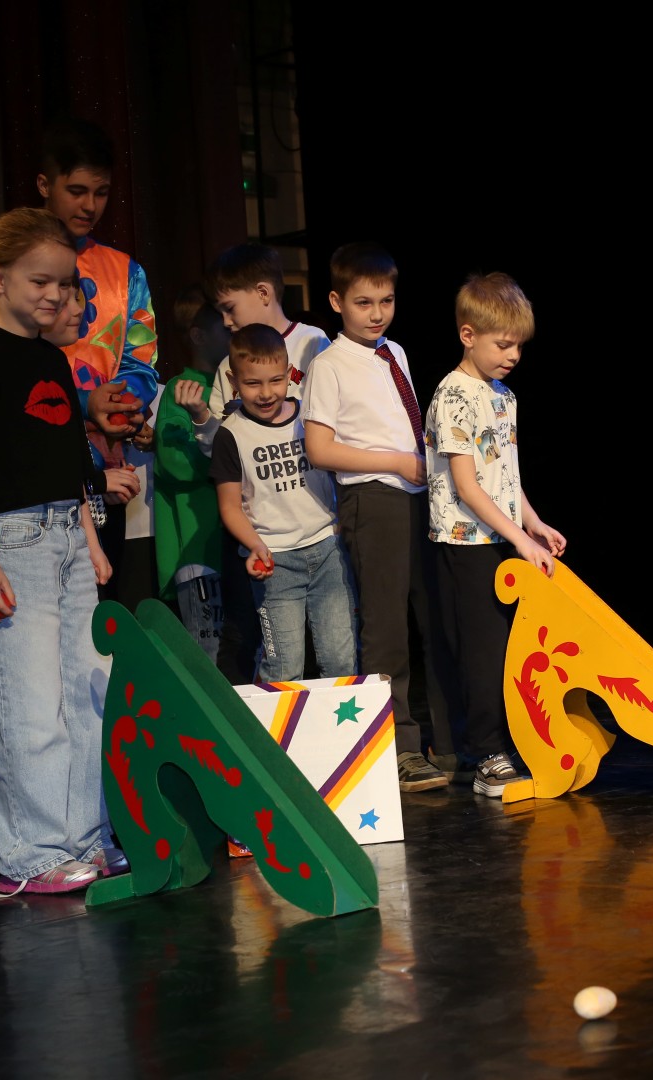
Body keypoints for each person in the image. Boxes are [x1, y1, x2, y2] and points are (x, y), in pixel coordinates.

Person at [0, 207, 134, 895]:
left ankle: (84, 837)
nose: (55, 295)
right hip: (13, 542)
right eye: (40, 282)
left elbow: (71, 464)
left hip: (68, 540)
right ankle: (32, 854)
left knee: (88, 695)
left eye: (65, 283)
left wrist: (90, 539)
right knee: (27, 703)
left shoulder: (53, 358)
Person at [300, 242, 456, 792]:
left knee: (434, 620)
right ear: (337, 302)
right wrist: (395, 461)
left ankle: (448, 740)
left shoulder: (396, 353)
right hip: (373, 498)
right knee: (387, 628)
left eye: (386, 301)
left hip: (416, 496)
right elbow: (319, 448)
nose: (377, 314)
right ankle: (400, 747)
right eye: (363, 303)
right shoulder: (328, 365)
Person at [426, 274, 564, 797]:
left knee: (511, 649)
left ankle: (511, 740)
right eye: (503, 345)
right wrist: (520, 540)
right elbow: (466, 486)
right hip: (465, 542)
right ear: (468, 335)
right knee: (481, 652)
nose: (513, 356)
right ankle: (485, 754)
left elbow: (504, 473)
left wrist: (533, 524)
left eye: (519, 346)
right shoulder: (453, 395)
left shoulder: (503, 395)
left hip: (501, 535)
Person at [37, 117, 161, 604]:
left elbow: (141, 361)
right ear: (44, 185)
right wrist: (84, 401)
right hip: (34, 476)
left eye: (102, 192)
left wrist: (120, 406)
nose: (90, 205)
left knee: (101, 612)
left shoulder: (125, 272)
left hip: (107, 475)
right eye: (77, 191)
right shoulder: (9, 265)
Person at [209, 325, 356, 683]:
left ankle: (339, 722)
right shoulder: (231, 434)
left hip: (328, 551)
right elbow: (230, 506)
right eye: (252, 383)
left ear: (290, 373)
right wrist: (256, 546)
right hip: (275, 561)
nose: (266, 393)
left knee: (340, 659)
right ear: (233, 381)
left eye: (276, 381)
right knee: (284, 667)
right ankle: (278, 724)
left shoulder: (310, 418)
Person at [155, 286, 229, 663]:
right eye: (224, 326)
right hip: (200, 554)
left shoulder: (235, 385)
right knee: (206, 658)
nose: (233, 329)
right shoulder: (181, 391)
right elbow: (177, 465)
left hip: (236, 549)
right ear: (199, 335)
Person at [204, 242, 330, 414]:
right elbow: (217, 425)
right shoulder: (229, 362)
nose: (226, 322)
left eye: (230, 308)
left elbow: (330, 406)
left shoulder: (311, 341)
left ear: (263, 293)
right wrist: (203, 416)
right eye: (221, 313)